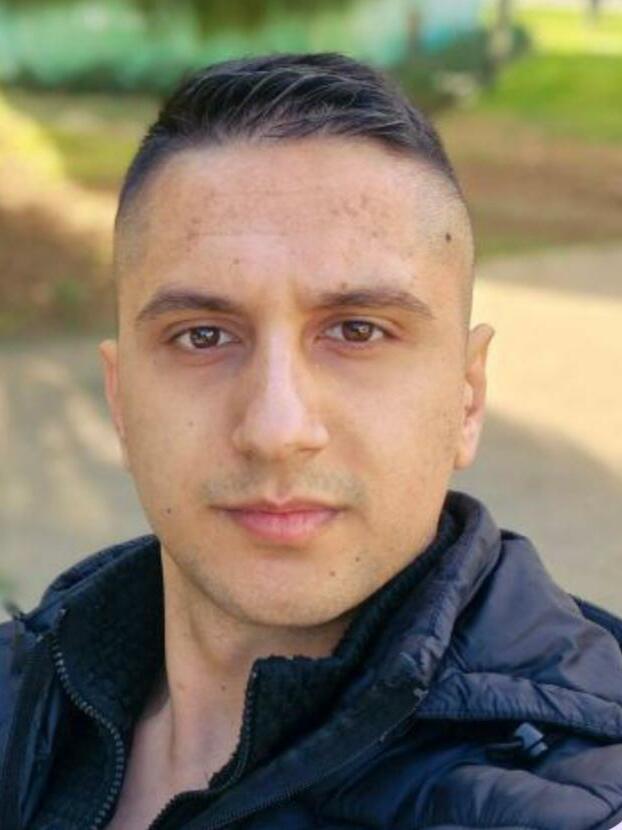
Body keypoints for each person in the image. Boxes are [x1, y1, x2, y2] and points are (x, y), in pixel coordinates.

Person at [1, 52, 621, 830]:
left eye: (357, 331)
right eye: (202, 336)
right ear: (121, 399)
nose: (276, 429)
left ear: (467, 396)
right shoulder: (20, 692)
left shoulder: (584, 796)